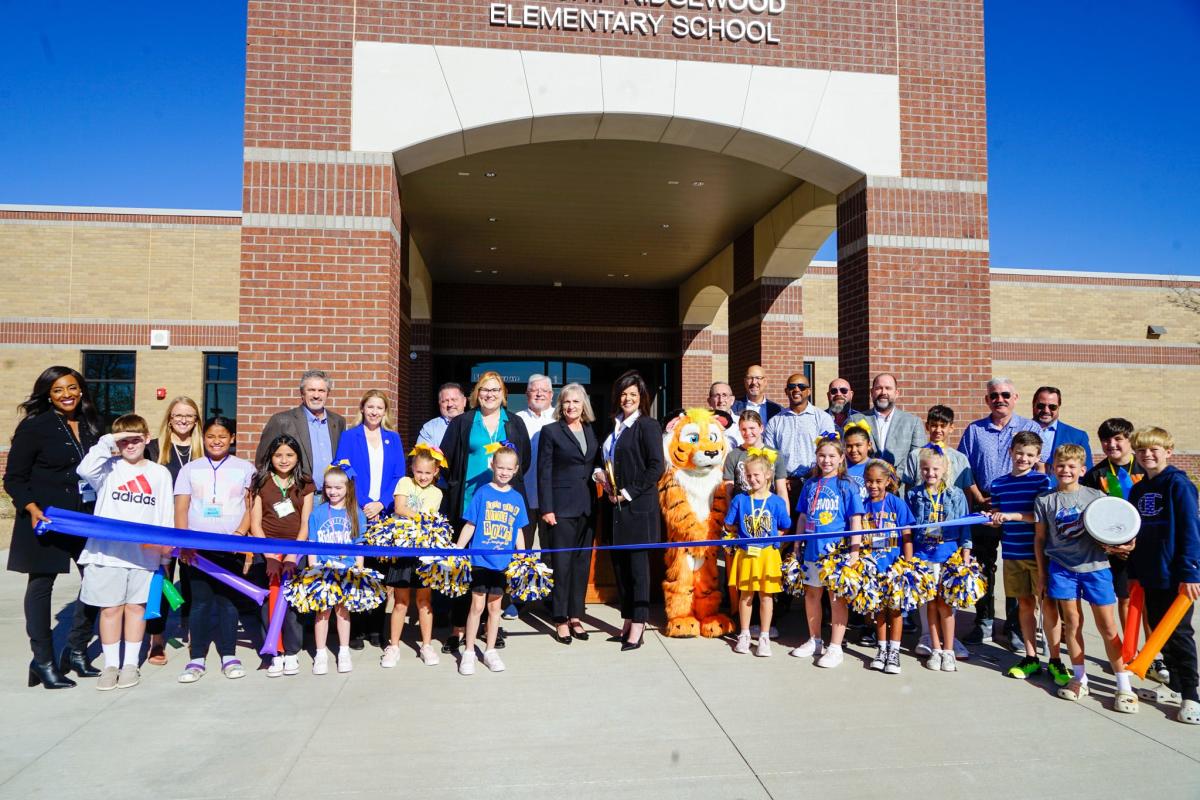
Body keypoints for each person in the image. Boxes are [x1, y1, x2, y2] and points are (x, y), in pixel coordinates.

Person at [6, 366, 104, 689]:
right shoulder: (35, 426)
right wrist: (32, 508)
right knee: (41, 586)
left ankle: (75, 650)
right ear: (48, 393)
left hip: (84, 516)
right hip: (46, 517)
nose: (67, 395)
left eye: (72, 388)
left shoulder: (92, 423)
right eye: (59, 389)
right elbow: (14, 478)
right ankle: (43, 660)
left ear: (81, 390)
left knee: (97, 579)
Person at [75, 414, 174, 690]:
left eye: (136, 439)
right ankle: (110, 665)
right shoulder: (108, 469)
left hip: (144, 556)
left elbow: (165, 515)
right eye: (124, 440)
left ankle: (130, 663)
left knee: (136, 608)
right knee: (110, 610)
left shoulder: (159, 473)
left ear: (147, 439)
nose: (130, 445)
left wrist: (165, 556)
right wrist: (110, 441)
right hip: (107, 554)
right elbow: (84, 470)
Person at [1034, 444, 1136, 711]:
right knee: (1072, 624)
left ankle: (1123, 685)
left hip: (1096, 568)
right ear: (1053, 468)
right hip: (1062, 569)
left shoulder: (1096, 497)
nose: (1065, 470)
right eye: (1060, 466)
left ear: (1081, 470)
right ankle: (1080, 679)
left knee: (1108, 627)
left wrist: (1124, 544)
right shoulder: (1045, 500)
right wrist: (1043, 574)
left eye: (1071, 466)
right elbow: (1041, 539)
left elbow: (1118, 526)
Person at [439, 372, 532, 654]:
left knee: (497, 571)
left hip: (501, 510)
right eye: (484, 390)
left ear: (503, 393)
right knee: (465, 571)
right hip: (468, 505)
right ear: (476, 394)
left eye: (495, 390)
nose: (489, 395)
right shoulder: (464, 422)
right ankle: (457, 629)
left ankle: (492, 627)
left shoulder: (513, 423)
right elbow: (445, 459)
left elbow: (523, 462)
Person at [958, 377, 1043, 645]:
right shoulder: (974, 430)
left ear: (1015, 397)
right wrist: (979, 498)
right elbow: (966, 469)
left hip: (1019, 507)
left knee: (1016, 564)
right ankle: (983, 620)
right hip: (985, 504)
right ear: (987, 400)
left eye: (1005, 394)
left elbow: (1038, 466)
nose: (1000, 399)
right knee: (984, 565)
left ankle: (1015, 626)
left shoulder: (1029, 428)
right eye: (994, 395)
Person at [175, 416, 257, 683]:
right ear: (203, 438)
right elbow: (181, 508)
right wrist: (184, 543)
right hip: (198, 549)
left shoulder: (246, 469)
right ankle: (196, 657)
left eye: (222, 436)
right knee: (200, 601)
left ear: (232, 438)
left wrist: (241, 538)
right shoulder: (190, 469)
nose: (217, 441)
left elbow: (250, 506)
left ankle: (229, 655)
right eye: (211, 436)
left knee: (228, 602)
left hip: (231, 547)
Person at [1127, 427, 1200, 725]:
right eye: (1142, 450)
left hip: (1177, 575)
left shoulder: (1178, 485)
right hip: (1150, 572)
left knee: (1180, 634)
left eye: (1154, 449)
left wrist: (1190, 572)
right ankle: (1174, 687)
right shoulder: (1139, 488)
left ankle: (1192, 696)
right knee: (1159, 630)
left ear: (1168, 451)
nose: (1148, 454)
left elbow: (1190, 531)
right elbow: (1134, 531)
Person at [1081, 418, 1159, 677]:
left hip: (1145, 546)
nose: (1111, 444)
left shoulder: (1144, 468)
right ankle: (1129, 652)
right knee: (1125, 600)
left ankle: (1154, 654)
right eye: (1106, 440)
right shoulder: (1097, 474)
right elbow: (1091, 515)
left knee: (1149, 602)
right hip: (1113, 549)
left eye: (1118, 439)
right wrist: (1108, 545)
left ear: (1129, 440)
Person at [593, 370, 664, 651]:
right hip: (615, 510)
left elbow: (656, 466)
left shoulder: (647, 425)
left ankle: (639, 624)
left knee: (637, 570)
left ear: (642, 398)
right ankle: (627, 619)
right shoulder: (614, 426)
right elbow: (603, 459)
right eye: (623, 394)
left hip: (638, 508)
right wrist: (599, 474)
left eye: (633, 394)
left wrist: (627, 491)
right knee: (620, 568)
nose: (627, 399)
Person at [333, 389, 407, 647]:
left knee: (379, 572)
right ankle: (357, 630)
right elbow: (343, 467)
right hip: (358, 511)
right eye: (371, 407)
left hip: (384, 513)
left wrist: (382, 503)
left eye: (380, 408)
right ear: (362, 409)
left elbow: (399, 475)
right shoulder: (349, 436)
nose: (375, 412)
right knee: (357, 568)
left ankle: (376, 628)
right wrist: (365, 502)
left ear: (385, 412)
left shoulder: (393, 439)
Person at [788, 433, 863, 669]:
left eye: (832, 456)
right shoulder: (810, 484)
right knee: (812, 595)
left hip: (836, 552)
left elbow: (855, 520)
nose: (826, 460)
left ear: (841, 458)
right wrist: (797, 545)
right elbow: (802, 516)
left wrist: (855, 551)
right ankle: (814, 639)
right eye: (822, 455)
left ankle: (836, 646)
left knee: (836, 598)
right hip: (811, 549)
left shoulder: (847, 485)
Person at [455, 444, 528, 675]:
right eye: (500, 467)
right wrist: (458, 548)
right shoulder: (483, 492)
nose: (504, 472)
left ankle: (489, 651)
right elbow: (471, 524)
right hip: (480, 559)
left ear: (516, 470)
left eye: (509, 468)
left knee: (495, 608)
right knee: (476, 605)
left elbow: (518, 530)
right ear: (492, 466)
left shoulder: (517, 498)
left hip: (502, 562)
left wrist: (523, 556)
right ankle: (468, 652)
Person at [986, 431, 1056, 663]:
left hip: (1038, 554)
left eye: (1029, 455)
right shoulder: (999, 484)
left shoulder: (1042, 481)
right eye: (1019, 453)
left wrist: (1011, 515)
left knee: (1047, 605)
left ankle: (1053, 655)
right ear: (1010, 452)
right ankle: (1030, 654)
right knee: (1024, 604)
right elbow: (998, 518)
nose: (1023, 458)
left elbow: (1041, 517)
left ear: (1037, 458)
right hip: (1012, 553)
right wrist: (993, 519)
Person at [248, 434, 314, 678]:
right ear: (270, 457)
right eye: (278, 455)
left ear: (297, 457)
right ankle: (273, 651)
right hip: (267, 551)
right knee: (270, 602)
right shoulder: (261, 481)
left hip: (295, 551)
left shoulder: (305, 482)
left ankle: (292, 651)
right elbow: (255, 523)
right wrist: (270, 556)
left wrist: (291, 556)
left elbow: (306, 522)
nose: (284, 460)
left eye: (289, 455)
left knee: (293, 602)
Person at [538, 383, 599, 644]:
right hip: (560, 508)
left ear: (583, 404)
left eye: (575, 401)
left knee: (581, 564)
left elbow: (592, 464)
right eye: (566, 402)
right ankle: (560, 618)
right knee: (561, 565)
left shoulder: (589, 430)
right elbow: (544, 472)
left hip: (586, 506)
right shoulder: (550, 431)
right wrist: (547, 508)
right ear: (560, 406)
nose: (571, 406)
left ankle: (576, 615)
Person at [144, 396, 203, 664]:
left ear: (196, 421)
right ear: (169, 418)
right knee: (161, 582)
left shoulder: (203, 450)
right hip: (163, 527)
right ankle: (156, 639)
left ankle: (191, 630)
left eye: (189, 416)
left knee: (192, 582)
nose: (183, 420)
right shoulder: (154, 450)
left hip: (194, 527)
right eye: (178, 415)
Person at [908, 445, 971, 673]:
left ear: (944, 469)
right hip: (924, 555)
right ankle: (935, 647)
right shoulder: (914, 494)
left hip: (949, 557)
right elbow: (910, 528)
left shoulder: (956, 494)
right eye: (925, 469)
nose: (930, 473)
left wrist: (965, 553)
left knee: (947, 604)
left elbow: (965, 527)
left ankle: (949, 649)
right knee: (931, 603)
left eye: (935, 469)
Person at [382, 444, 445, 668]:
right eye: (419, 472)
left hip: (423, 552)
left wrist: (417, 517)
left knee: (424, 601)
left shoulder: (437, 493)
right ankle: (394, 646)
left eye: (428, 473)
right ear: (412, 468)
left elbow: (430, 518)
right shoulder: (404, 483)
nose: (423, 477)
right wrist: (419, 517)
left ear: (436, 471)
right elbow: (399, 508)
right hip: (403, 548)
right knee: (399, 602)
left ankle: (426, 645)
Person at [307, 465, 369, 675]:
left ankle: (344, 652)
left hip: (347, 570)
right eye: (328, 487)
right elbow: (312, 544)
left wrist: (359, 569)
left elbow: (359, 545)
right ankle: (321, 653)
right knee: (322, 613)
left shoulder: (357, 514)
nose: (333, 492)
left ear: (347, 488)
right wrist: (313, 568)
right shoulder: (317, 513)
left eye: (338, 488)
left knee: (342, 611)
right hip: (323, 570)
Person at [724, 454, 788, 658]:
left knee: (766, 596)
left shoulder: (777, 502)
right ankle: (744, 634)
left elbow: (786, 526)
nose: (752, 479)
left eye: (756, 475)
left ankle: (764, 636)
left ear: (768, 474)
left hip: (768, 556)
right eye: (748, 475)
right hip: (746, 554)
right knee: (746, 595)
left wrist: (777, 540)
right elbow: (728, 523)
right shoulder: (740, 499)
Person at [255, 369, 347, 497]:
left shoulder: (338, 422)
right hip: (296, 497)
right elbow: (262, 461)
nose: (316, 395)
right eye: (311, 390)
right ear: (302, 393)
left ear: (328, 394)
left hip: (331, 498)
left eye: (321, 390)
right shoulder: (282, 421)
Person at [861, 460, 915, 674]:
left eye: (878, 481)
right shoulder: (863, 506)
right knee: (878, 611)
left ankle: (894, 652)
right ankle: (881, 650)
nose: (873, 485)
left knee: (895, 611)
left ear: (888, 481)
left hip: (894, 567)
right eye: (869, 481)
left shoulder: (896, 503)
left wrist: (908, 564)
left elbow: (907, 534)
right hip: (874, 567)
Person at [511, 374, 556, 619]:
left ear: (551, 395)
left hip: (551, 499)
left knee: (550, 551)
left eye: (544, 390)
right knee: (521, 550)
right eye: (533, 390)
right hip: (523, 496)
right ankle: (517, 599)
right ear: (527, 394)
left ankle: (549, 598)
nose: (538, 394)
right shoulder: (517, 420)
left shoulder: (559, 417)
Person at [763, 373, 835, 509]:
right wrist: (781, 479)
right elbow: (769, 457)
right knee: (786, 528)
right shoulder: (775, 421)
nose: (796, 390)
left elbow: (830, 453)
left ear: (809, 391)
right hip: (783, 487)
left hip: (815, 483)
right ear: (786, 391)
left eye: (801, 386)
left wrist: (804, 479)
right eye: (792, 386)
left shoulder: (823, 418)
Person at [900, 405, 983, 503]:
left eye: (943, 426)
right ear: (927, 426)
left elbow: (967, 490)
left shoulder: (960, 458)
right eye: (934, 425)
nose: (938, 430)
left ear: (951, 428)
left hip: (952, 512)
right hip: (922, 510)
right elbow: (908, 487)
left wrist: (966, 514)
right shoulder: (915, 455)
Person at [855, 373, 926, 468]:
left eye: (888, 388)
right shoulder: (856, 420)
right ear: (872, 392)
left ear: (896, 393)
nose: (883, 392)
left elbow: (918, 459)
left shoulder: (913, 423)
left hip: (901, 481)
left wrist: (894, 477)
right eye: (879, 388)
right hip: (863, 480)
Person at [724, 410, 789, 506]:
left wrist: (785, 517)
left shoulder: (775, 455)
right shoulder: (733, 456)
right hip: (743, 512)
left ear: (761, 428)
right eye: (743, 429)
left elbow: (781, 491)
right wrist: (730, 517)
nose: (747, 433)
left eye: (752, 428)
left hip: (769, 510)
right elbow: (728, 493)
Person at [1031, 386, 1092, 467]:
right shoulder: (1019, 430)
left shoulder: (1078, 437)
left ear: (1058, 407)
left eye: (1052, 407)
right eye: (1041, 406)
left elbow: (1087, 473)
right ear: (1033, 404)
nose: (1046, 410)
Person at [417, 382, 467, 448]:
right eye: (445, 401)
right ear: (439, 404)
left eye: (454, 399)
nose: (450, 404)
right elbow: (421, 456)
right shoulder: (429, 428)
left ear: (464, 401)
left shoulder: (476, 424)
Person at [842, 420, 873, 499]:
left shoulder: (877, 466)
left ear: (869, 445)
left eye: (858, 445)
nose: (853, 450)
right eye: (849, 446)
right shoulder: (839, 467)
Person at [708, 382, 742, 447]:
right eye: (716, 396)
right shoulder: (702, 425)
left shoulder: (742, 423)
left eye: (724, 395)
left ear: (732, 400)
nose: (721, 400)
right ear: (709, 401)